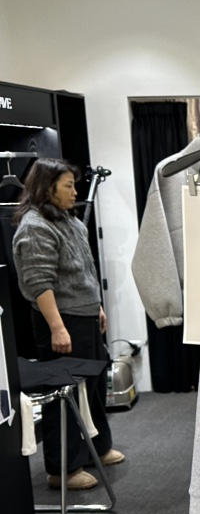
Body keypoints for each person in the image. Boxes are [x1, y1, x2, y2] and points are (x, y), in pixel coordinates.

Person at [12, 157, 124, 490]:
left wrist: (97, 307)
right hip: (62, 321)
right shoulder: (34, 227)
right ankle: (62, 469)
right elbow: (38, 283)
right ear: (47, 189)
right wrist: (58, 328)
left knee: (92, 388)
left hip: (83, 316)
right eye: (69, 186)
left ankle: (96, 449)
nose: (75, 192)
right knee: (64, 394)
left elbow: (84, 270)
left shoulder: (68, 220)